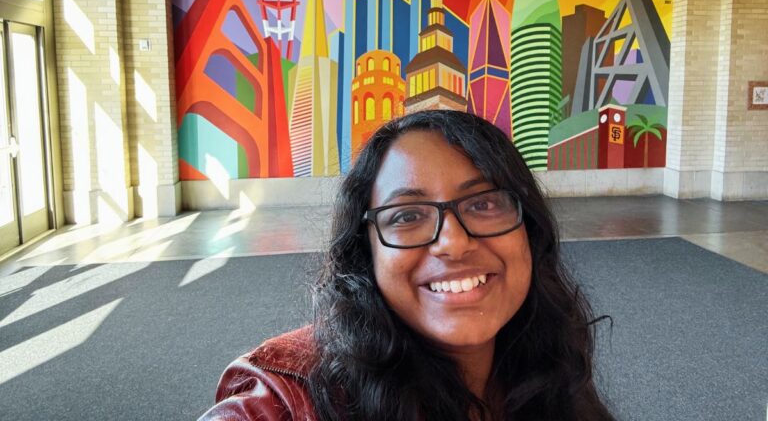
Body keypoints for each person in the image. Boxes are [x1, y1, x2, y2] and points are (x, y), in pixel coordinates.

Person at [199, 110, 614, 421]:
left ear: (530, 229)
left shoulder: (546, 358)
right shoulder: (288, 395)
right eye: (407, 215)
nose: (453, 243)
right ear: (367, 252)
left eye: (484, 203)